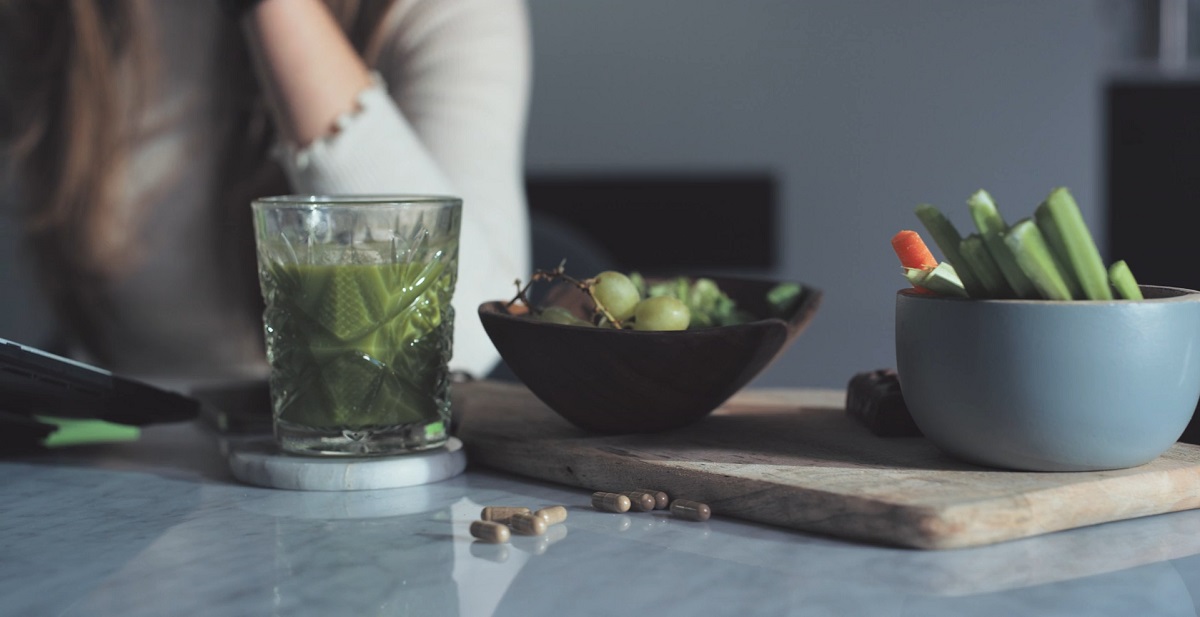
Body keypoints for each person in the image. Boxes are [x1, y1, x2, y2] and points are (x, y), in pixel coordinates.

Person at [0, 0, 532, 387]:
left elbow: (457, 340)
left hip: (332, 468)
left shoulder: (449, 14)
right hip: (112, 468)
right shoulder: (54, 22)